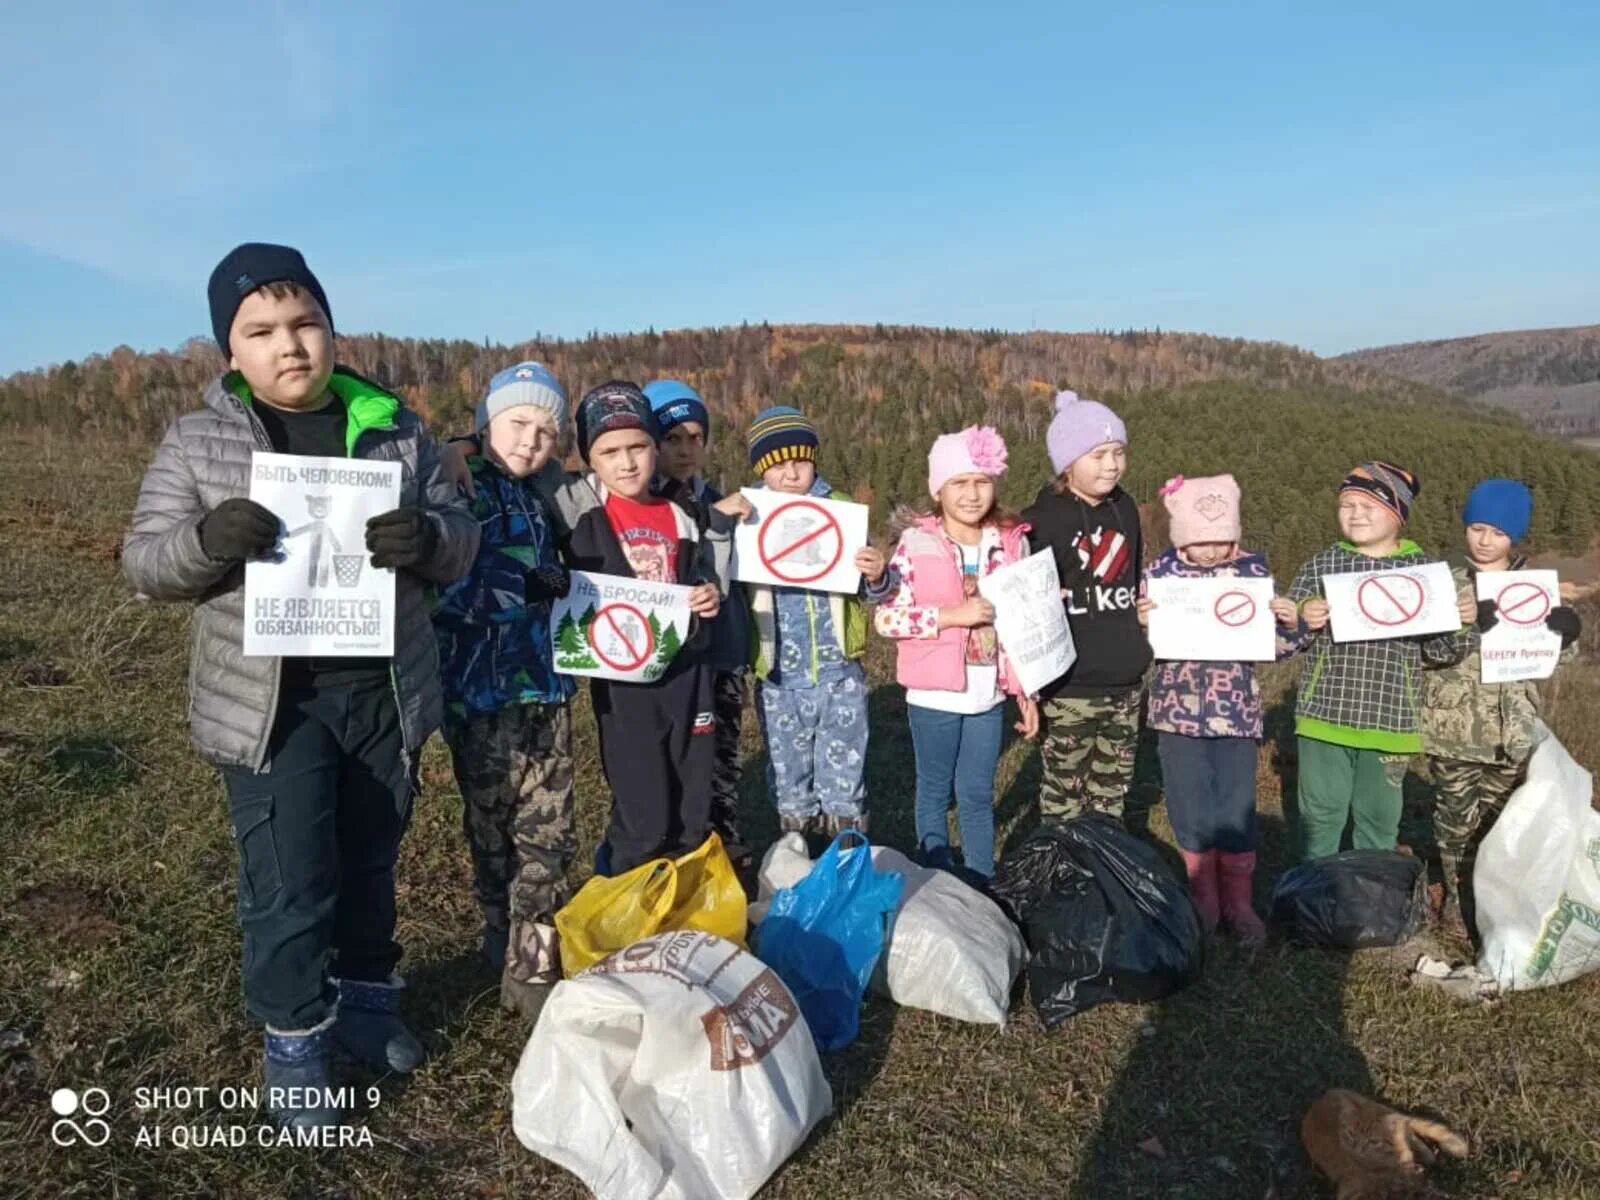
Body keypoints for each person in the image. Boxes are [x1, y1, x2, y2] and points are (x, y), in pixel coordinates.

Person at [122, 243, 477, 1129]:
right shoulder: (201, 439)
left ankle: (366, 1004)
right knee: (289, 880)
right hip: (273, 709)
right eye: (262, 331)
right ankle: (294, 1039)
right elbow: (145, 563)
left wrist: (428, 540)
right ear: (229, 353)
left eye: (305, 323)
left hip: (382, 692)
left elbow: (462, 536)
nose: (290, 345)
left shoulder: (395, 428)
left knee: (370, 857)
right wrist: (209, 539)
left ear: (330, 329)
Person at [433, 362, 579, 1022]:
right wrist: (523, 588)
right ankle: (499, 931)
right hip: (478, 696)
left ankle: (535, 954)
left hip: (544, 692)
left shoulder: (543, 494)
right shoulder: (456, 483)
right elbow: (444, 585)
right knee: (493, 830)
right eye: (518, 424)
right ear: (487, 420)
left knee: (551, 829)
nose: (529, 441)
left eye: (546, 432)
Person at [546, 381, 724, 874]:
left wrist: (709, 593)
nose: (626, 463)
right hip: (623, 683)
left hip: (687, 674)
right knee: (641, 812)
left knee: (692, 807)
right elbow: (517, 470)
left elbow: (700, 575)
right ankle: (624, 902)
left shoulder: (682, 510)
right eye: (609, 452)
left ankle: (684, 909)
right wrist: (465, 446)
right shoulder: (575, 503)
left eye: (638, 447)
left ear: (655, 447)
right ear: (590, 458)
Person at [1141, 474, 1308, 942]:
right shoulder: (1158, 578)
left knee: (1236, 805)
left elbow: (1275, 648)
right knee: (1189, 804)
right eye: (1200, 542)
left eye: (1221, 540)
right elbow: (1143, 645)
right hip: (1176, 714)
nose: (1212, 551)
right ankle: (1203, 896)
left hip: (1236, 714)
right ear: (1180, 538)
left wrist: (1291, 627)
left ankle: (1238, 901)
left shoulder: (1253, 575)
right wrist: (1140, 624)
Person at [1419, 478, 1583, 939]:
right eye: (1476, 527)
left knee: (1501, 822)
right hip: (1451, 727)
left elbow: (1548, 660)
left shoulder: (1530, 586)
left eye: (1498, 531)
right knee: (1454, 821)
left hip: (1511, 730)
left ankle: (1492, 902)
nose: (1485, 539)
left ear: (1516, 536)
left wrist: (1565, 634)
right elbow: (1428, 651)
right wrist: (1463, 626)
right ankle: (1455, 899)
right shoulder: (1443, 580)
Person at [1284, 462, 1473, 861]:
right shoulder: (1322, 564)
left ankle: (1371, 906)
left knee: (1378, 822)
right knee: (1319, 818)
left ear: (1398, 514)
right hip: (1323, 718)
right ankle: (1313, 903)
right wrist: (1303, 614)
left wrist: (1460, 624)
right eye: (1347, 505)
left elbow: (1441, 653)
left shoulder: (1425, 573)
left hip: (1391, 722)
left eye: (1369, 505)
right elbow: (1287, 636)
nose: (1356, 514)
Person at [874, 425, 1039, 878]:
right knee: (933, 791)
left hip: (987, 696)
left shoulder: (1010, 543)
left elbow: (1022, 624)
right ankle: (935, 878)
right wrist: (951, 616)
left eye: (982, 481)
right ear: (939, 490)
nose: (972, 494)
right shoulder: (916, 544)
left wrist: (1025, 691)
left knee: (977, 793)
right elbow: (887, 619)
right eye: (959, 483)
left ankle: (983, 883)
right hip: (932, 697)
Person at [743, 405, 893, 837]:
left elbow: (871, 591)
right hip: (778, 675)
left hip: (838, 671)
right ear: (761, 470)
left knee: (845, 763)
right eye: (777, 466)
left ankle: (846, 845)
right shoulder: (749, 516)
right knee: (788, 769)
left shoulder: (840, 509)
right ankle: (795, 844)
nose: (791, 474)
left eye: (800, 461)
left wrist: (877, 575)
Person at [1021, 390, 1152, 824]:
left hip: (1126, 681)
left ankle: (1103, 876)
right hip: (1071, 684)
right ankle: (1059, 876)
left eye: (1118, 452)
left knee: (1111, 796)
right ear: (1068, 462)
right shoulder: (1041, 520)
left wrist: (1144, 614)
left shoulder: (1127, 509)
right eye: (1098, 455)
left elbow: (1130, 580)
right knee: (1064, 795)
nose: (1112, 464)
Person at [644, 379, 754, 868]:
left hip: (725, 654)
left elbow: (736, 584)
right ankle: (668, 859)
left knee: (721, 764)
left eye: (695, 437)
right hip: (672, 662)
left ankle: (722, 858)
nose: (686, 449)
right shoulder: (646, 504)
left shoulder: (723, 499)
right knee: (669, 767)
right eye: (672, 438)